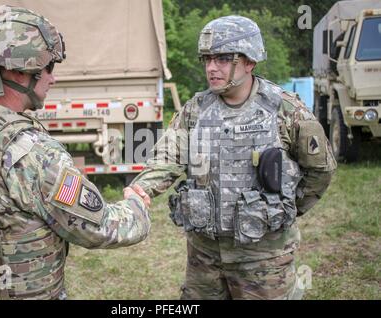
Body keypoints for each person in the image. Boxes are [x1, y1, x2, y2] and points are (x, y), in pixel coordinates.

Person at [0, 5, 150, 300]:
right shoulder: (31, 154)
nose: (52, 78)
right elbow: (100, 227)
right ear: (20, 70)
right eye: (48, 67)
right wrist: (137, 207)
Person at [127, 15, 337, 300]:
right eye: (207, 59)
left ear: (250, 61)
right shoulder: (196, 110)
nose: (212, 68)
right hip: (205, 258)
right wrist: (141, 189)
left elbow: (321, 169)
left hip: (264, 259)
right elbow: (166, 157)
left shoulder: (284, 110)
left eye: (224, 59)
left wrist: (284, 210)